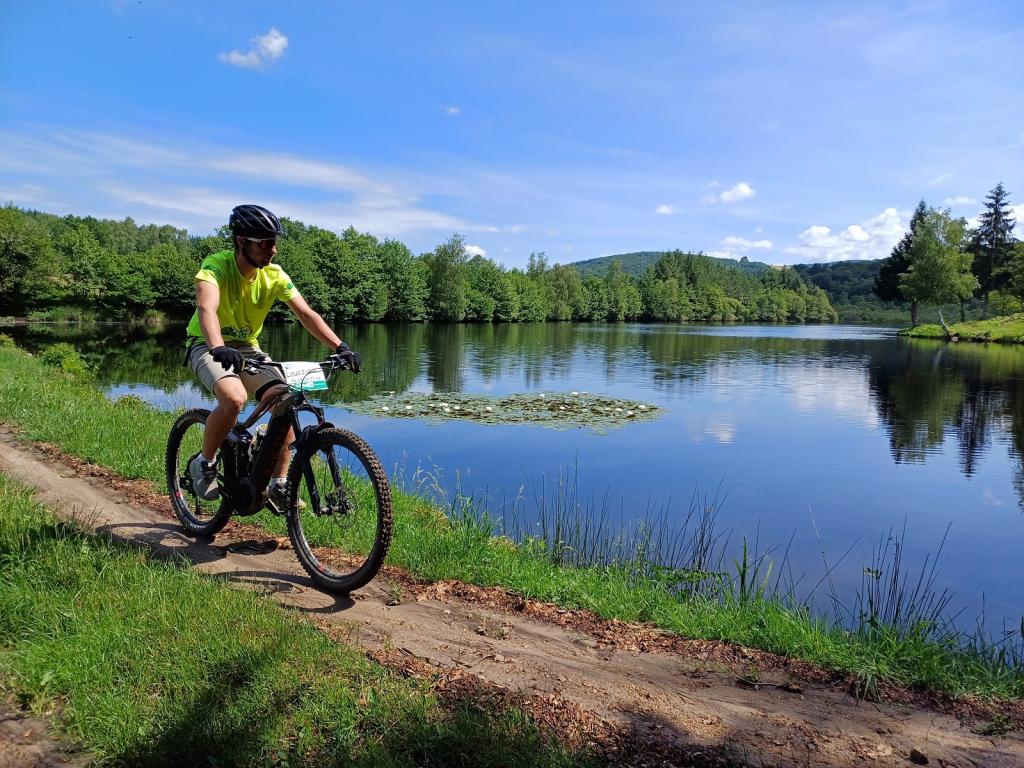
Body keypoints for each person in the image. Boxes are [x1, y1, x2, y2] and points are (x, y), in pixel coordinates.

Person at [184, 204, 360, 506]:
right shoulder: (215, 266)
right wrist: (217, 347)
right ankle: (205, 463)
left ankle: (279, 484)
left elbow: (306, 314)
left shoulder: (275, 275)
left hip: (247, 348)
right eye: (265, 243)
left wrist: (340, 346)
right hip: (207, 343)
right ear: (242, 242)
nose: (273, 250)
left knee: (285, 397)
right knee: (235, 398)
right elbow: (207, 309)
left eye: (274, 242)